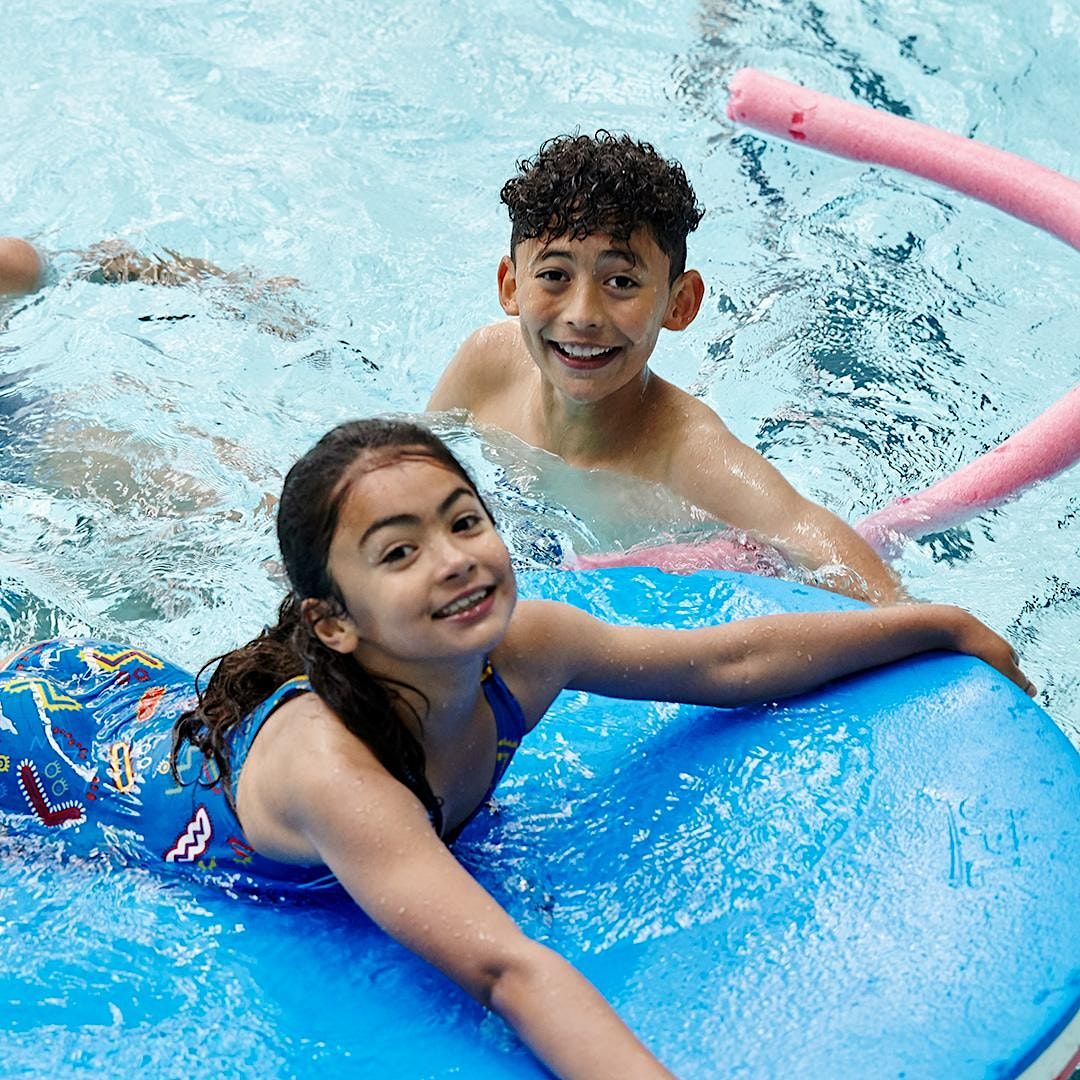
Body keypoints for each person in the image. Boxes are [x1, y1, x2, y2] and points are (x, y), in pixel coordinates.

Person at [0, 418, 1033, 1079]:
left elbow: (722, 664)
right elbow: (505, 970)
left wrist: (932, 625)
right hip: (52, 766)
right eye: (399, 553)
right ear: (335, 623)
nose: (454, 563)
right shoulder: (337, 772)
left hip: (131, 697)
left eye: (464, 521)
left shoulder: (522, 649)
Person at [427, 132, 904, 603]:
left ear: (680, 304)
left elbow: (841, 562)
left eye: (620, 281)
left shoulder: (694, 459)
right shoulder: (489, 365)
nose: (582, 315)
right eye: (554, 276)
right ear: (511, 286)